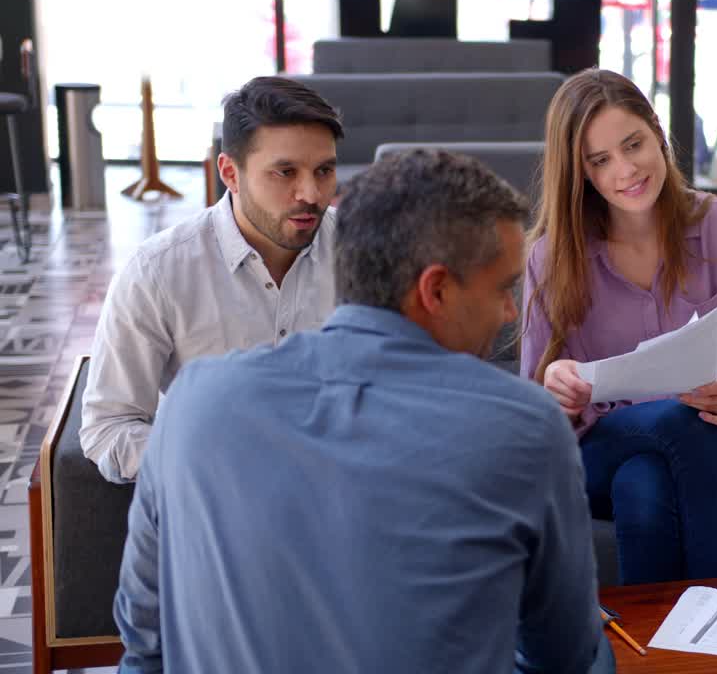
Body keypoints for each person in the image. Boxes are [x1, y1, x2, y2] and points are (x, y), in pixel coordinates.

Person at [114, 150, 614, 674]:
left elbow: (143, 638)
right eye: (504, 289)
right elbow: (564, 656)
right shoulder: (525, 425)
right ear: (436, 290)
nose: (512, 312)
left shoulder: (193, 401)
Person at [520, 69, 717, 585]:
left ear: (658, 134)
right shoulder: (551, 258)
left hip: (702, 452)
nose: (626, 169)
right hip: (595, 452)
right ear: (583, 174)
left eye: (633, 144)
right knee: (677, 421)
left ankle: (657, 659)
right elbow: (538, 407)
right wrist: (559, 390)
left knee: (645, 486)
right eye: (600, 160)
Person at [80, 76, 343, 483]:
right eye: (285, 172)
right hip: (219, 509)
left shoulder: (364, 253)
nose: (310, 193)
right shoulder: (158, 272)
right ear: (230, 173)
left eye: (323, 170)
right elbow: (108, 427)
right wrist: (212, 464)